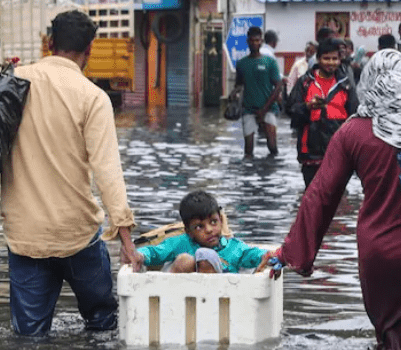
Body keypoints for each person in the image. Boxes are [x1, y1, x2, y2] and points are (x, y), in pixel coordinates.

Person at [261, 49, 401, 350]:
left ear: (368, 81)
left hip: (378, 253)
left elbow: (320, 196)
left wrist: (293, 254)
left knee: (391, 344)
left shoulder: (352, 130)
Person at [1, 10, 138, 336]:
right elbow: (108, 172)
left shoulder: (13, 83)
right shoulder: (92, 97)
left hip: (25, 236)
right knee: (104, 328)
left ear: (49, 43)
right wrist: (126, 241)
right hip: (78, 236)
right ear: (89, 51)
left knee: (28, 342)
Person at [132, 190, 271, 274]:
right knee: (185, 261)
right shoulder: (180, 243)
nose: (209, 230)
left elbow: (254, 255)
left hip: (222, 305)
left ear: (221, 221)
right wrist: (140, 255)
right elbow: (156, 252)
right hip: (181, 305)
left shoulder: (234, 248)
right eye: (199, 227)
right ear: (189, 231)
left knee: (206, 257)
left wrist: (270, 256)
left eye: (213, 222)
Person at [287, 39, 358, 188]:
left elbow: (355, 117)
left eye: (334, 59)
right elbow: (290, 110)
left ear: (340, 60)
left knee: (334, 197)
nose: (330, 63)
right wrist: (307, 107)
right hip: (310, 151)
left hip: (339, 150)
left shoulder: (346, 85)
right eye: (326, 58)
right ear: (318, 59)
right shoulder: (305, 82)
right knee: (312, 196)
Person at [228, 26, 283, 158]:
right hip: (248, 109)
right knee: (248, 151)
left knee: (272, 147)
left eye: (257, 40)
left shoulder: (270, 62)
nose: (254, 43)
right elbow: (239, 84)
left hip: (269, 109)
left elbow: (278, 86)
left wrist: (264, 109)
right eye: (252, 40)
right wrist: (234, 93)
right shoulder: (242, 64)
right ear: (247, 41)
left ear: (261, 41)